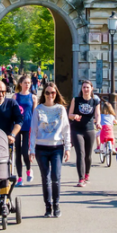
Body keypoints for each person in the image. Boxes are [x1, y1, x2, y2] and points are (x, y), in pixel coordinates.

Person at [29, 81, 71, 217]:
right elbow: (33, 130)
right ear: (44, 94)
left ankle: (57, 204)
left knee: (56, 177)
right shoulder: (38, 109)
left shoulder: (60, 109)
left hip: (57, 147)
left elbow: (66, 129)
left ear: (56, 93)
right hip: (41, 148)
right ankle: (48, 206)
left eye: (52, 92)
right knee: (45, 178)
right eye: (47, 93)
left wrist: (68, 148)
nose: (50, 95)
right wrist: (32, 150)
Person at [67, 80, 101, 187]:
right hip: (77, 130)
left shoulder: (95, 101)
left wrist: (98, 123)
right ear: (81, 89)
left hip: (89, 130)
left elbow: (97, 114)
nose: (85, 89)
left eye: (87, 87)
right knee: (80, 154)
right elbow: (70, 114)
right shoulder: (76, 100)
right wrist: (74, 116)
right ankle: (81, 178)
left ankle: (87, 173)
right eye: (84, 87)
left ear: (91, 89)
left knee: (88, 155)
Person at [13, 74, 36, 186]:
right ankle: (20, 178)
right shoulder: (15, 97)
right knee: (17, 152)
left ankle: (28, 169)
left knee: (25, 151)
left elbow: (34, 113)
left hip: (28, 126)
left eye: (29, 83)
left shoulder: (33, 97)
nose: (27, 85)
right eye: (25, 83)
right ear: (20, 84)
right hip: (17, 126)